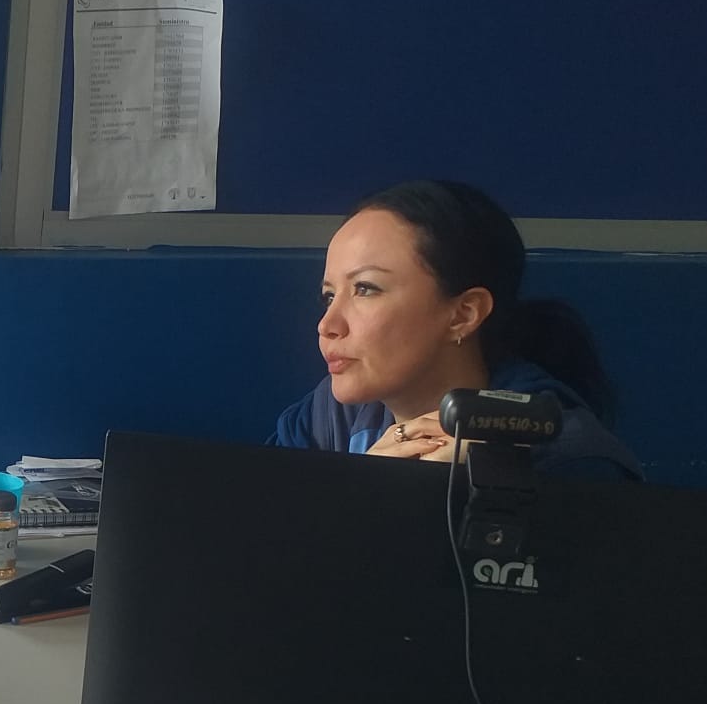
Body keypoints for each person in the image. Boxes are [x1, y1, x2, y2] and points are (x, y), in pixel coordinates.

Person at [271, 179, 642, 479]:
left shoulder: (564, 458)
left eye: (365, 289)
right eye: (329, 295)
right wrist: (367, 491)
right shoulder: (326, 418)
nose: (327, 325)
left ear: (464, 314)